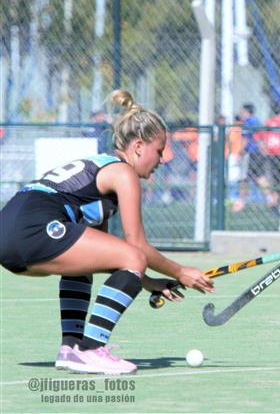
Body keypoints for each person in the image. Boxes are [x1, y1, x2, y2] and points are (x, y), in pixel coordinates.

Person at [0, 89, 214, 375]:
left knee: (87, 265)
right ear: (139, 146)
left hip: (9, 230)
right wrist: (180, 272)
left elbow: (106, 257)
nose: (162, 160)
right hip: (34, 225)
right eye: (159, 151)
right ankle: (91, 349)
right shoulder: (122, 173)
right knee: (134, 255)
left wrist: (149, 282)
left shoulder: (98, 169)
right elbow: (137, 246)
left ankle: (72, 349)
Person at [232, 103, 267, 212]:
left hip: (250, 153)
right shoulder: (257, 121)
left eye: (242, 112)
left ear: (247, 112)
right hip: (258, 153)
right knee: (257, 177)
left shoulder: (248, 122)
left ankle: (240, 202)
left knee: (244, 178)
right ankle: (271, 197)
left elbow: (246, 139)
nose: (241, 114)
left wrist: (239, 153)